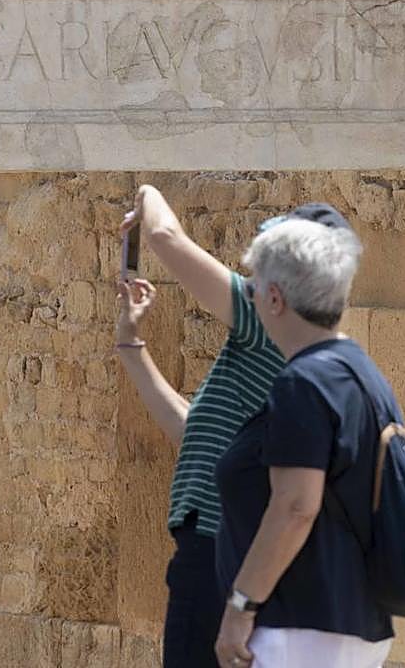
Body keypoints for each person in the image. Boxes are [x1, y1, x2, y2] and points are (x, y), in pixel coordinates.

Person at [213, 215, 402, 668]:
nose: (252, 296)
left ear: (275, 298)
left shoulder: (303, 382)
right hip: (348, 624)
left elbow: (297, 506)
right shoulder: (359, 372)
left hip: (299, 630)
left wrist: (241, 606)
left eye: (253, 287)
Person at [113, 184, 285, 668]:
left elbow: (166, 235)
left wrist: (145, 193)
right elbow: (197, 440)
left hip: (214, 553)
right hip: (227, 553)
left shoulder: (268, 320)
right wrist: (130, 345)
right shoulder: (287, 347)